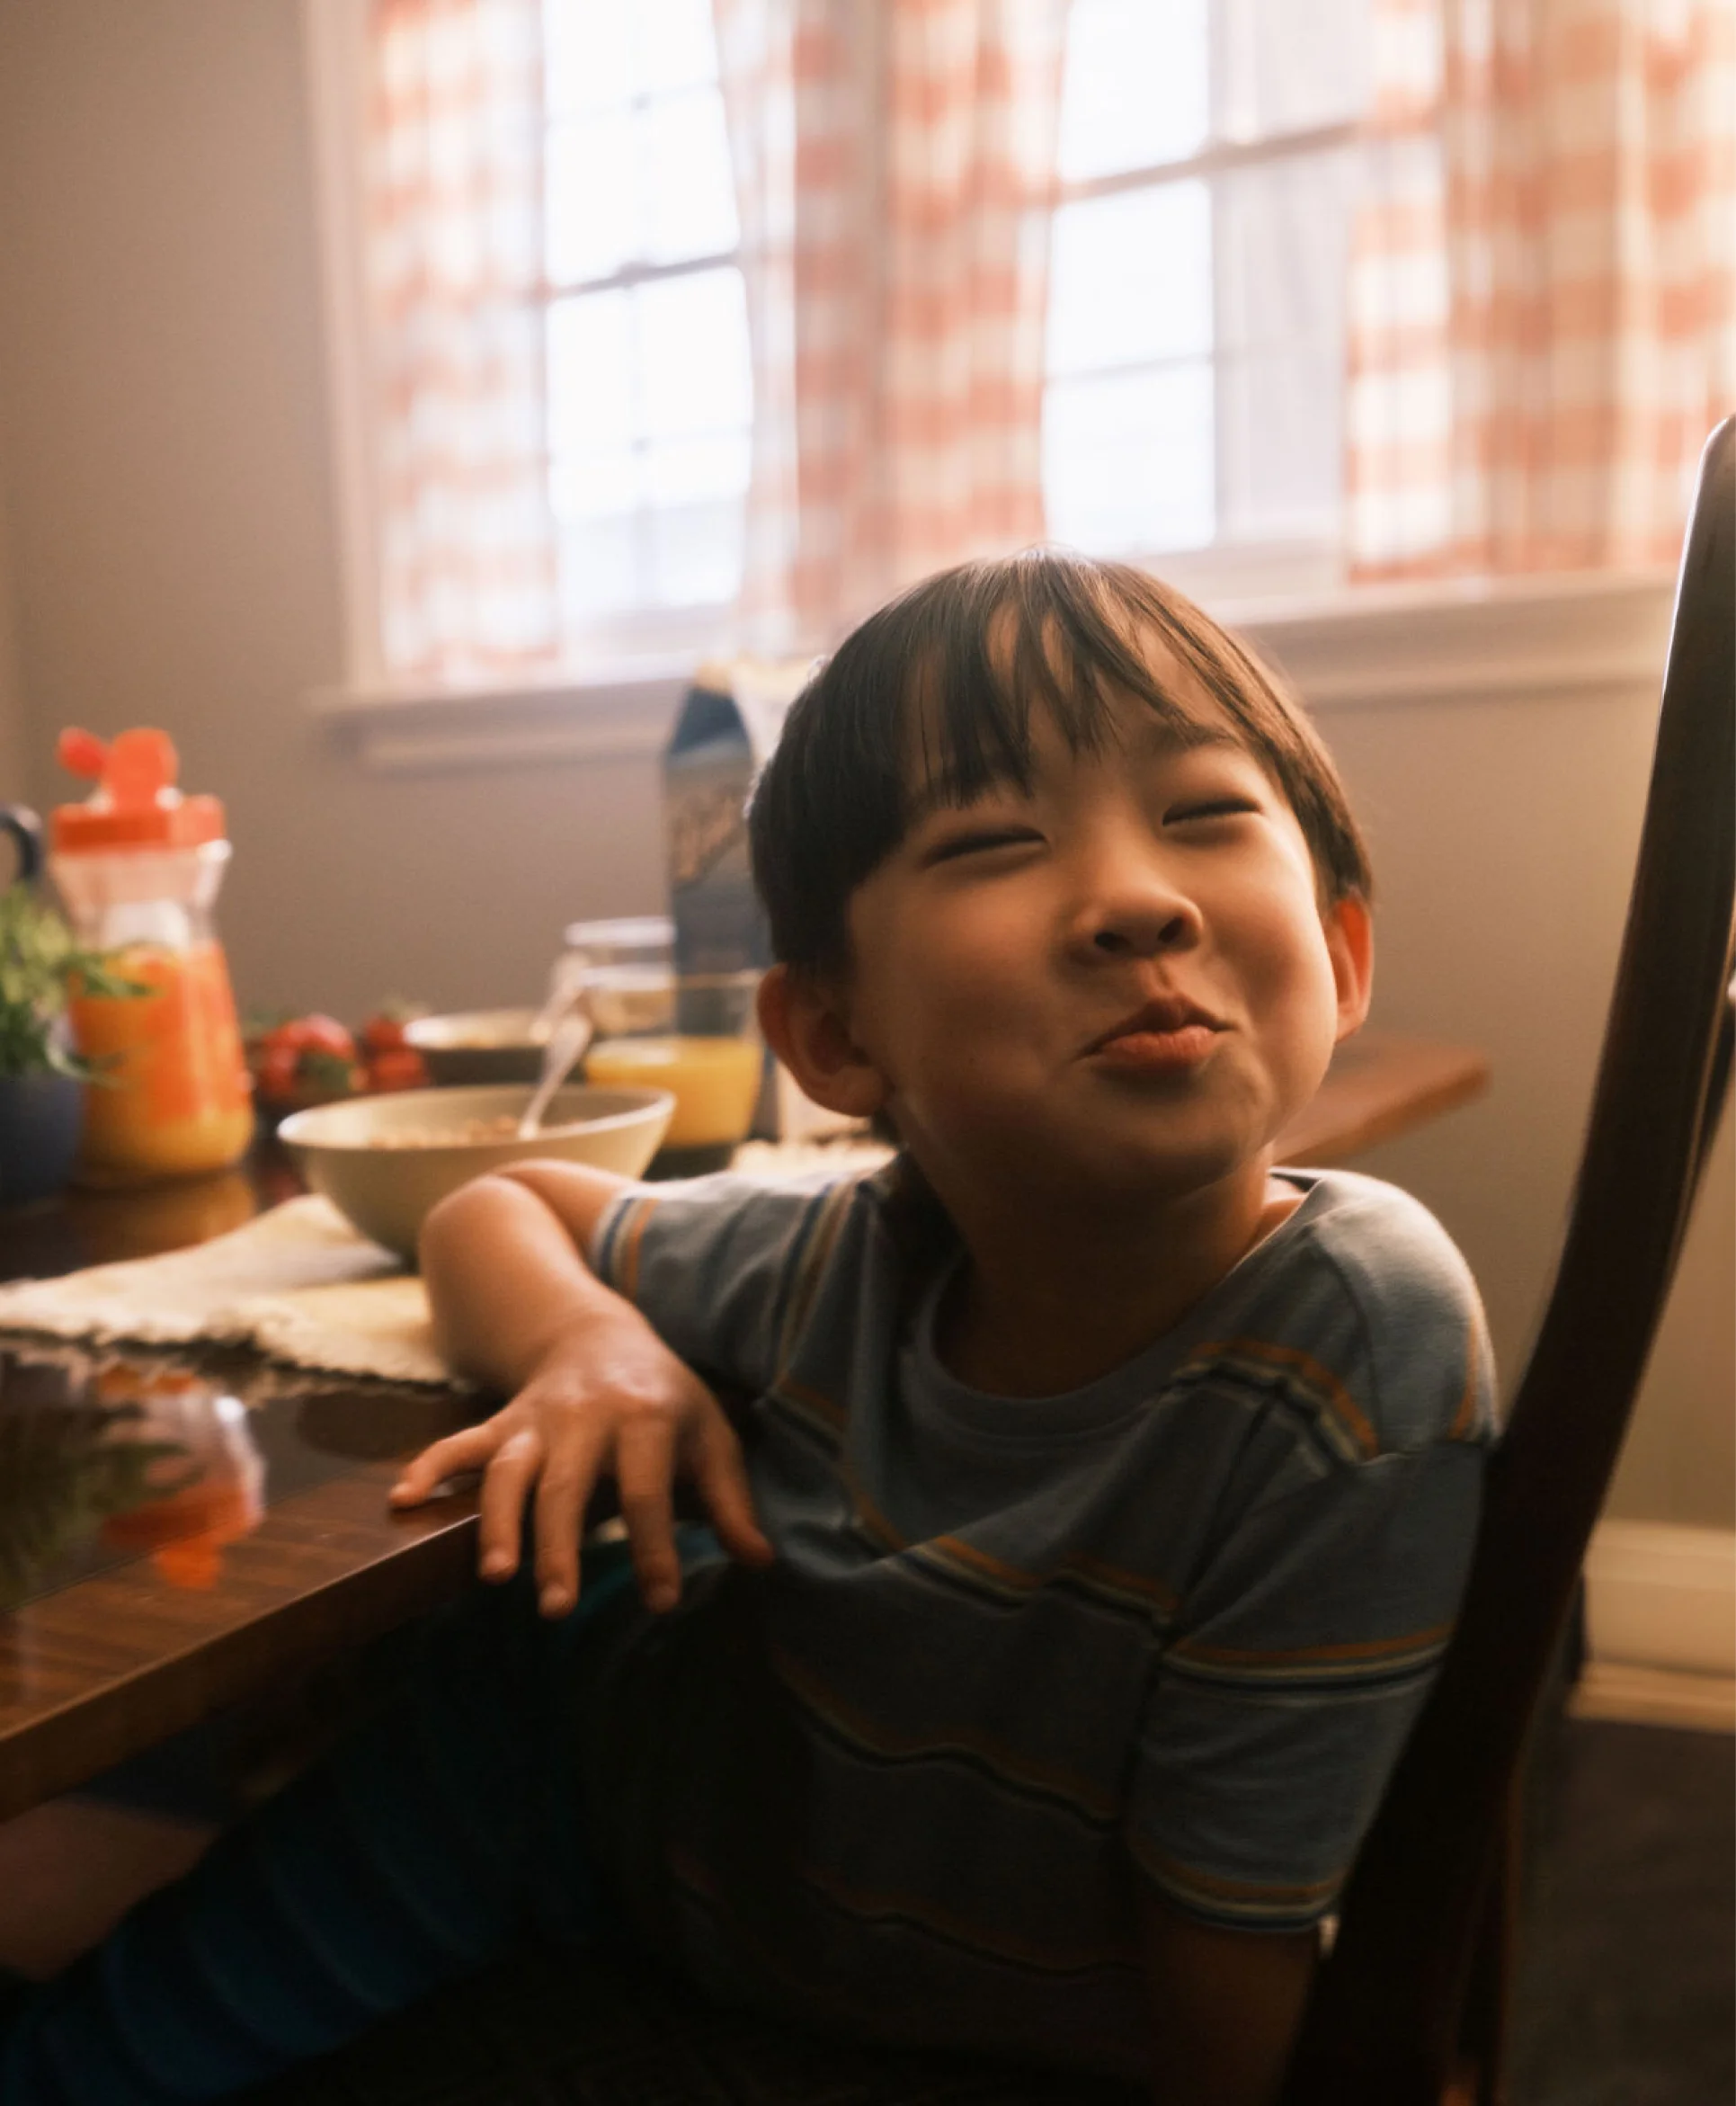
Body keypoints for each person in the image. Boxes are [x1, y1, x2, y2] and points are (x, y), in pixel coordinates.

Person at [0, 552, 1494, 2106]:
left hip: (797, 1958)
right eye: (994, 838)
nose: (1136, 897)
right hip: (561, 1780)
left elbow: (1228, 1979)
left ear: (1340, 950)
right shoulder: (848, 1247)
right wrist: (596, 1348)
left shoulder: (1345, 1335)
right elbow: (492, 1211)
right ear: (835, 1037)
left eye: (1202, 813)